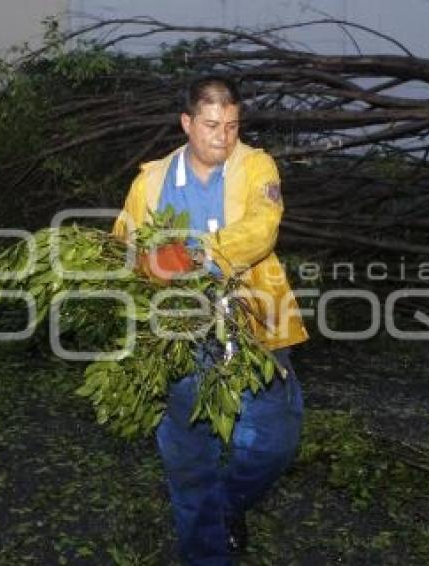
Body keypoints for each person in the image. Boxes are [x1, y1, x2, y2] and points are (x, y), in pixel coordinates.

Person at [111, 75, 309, 565]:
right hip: (178, 338)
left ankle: (223, 508)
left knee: (273, 444)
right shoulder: (151, 181)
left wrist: (196, 256)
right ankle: (204, 552)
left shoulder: (256, 166)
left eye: (233, 125)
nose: (224, 136)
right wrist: (141, 261)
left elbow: (261, 229)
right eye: (212, 125)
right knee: (186, 455)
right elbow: (123, 240)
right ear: (187, 123)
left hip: (252, 327)